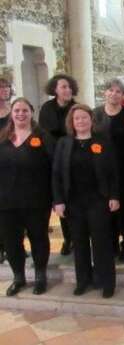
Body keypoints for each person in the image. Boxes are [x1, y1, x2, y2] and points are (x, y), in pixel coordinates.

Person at [53, 104, 119, 298]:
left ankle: (106, 282)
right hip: (73, 202)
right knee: (79, 243)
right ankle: (83, 280)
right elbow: (56, 174)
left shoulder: (103, 141)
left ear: (91, 120)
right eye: (77, 119)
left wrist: (114, 196)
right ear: (71, 123)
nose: (80, 121)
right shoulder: (64, 143)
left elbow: (114, 172)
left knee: (101, 243)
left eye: (84, 117)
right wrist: (58, 201)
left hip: (98, 200)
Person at [0, 98, 54, 296]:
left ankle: (40, 276)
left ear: (32, 113)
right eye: (17, 110)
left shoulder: (43, 137)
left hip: (37, 201)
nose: (20, 114)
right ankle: (18, 277)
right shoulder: (3, 138)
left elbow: (54, 169)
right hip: (6, 202)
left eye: (25, 110)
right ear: (11, 114)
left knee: (38, 238)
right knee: (11, 241)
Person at [94, 78, 124, 262]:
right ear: (105, 92)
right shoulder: (95, 114)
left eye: (118, 91)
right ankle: (111, 243)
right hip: (102, 169)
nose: (114, 94)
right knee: (105, 207)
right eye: (111, 90)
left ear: (123, 95)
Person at [39, 74, 78, 256]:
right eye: (63, 87)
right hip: (53, 157)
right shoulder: (47, 108)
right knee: (60, 199)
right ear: (55, 89)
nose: (67, 90)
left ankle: (76, 238)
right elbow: (46, 134)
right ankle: (68, 238)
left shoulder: (76, 108)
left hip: (72, 158)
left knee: (73, 199)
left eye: (69, 87)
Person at [0, 77, 13, 263]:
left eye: (6, 87)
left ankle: (13, 246)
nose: (4, 90)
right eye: (1, 87)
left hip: (12, 162)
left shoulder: (15, 110)